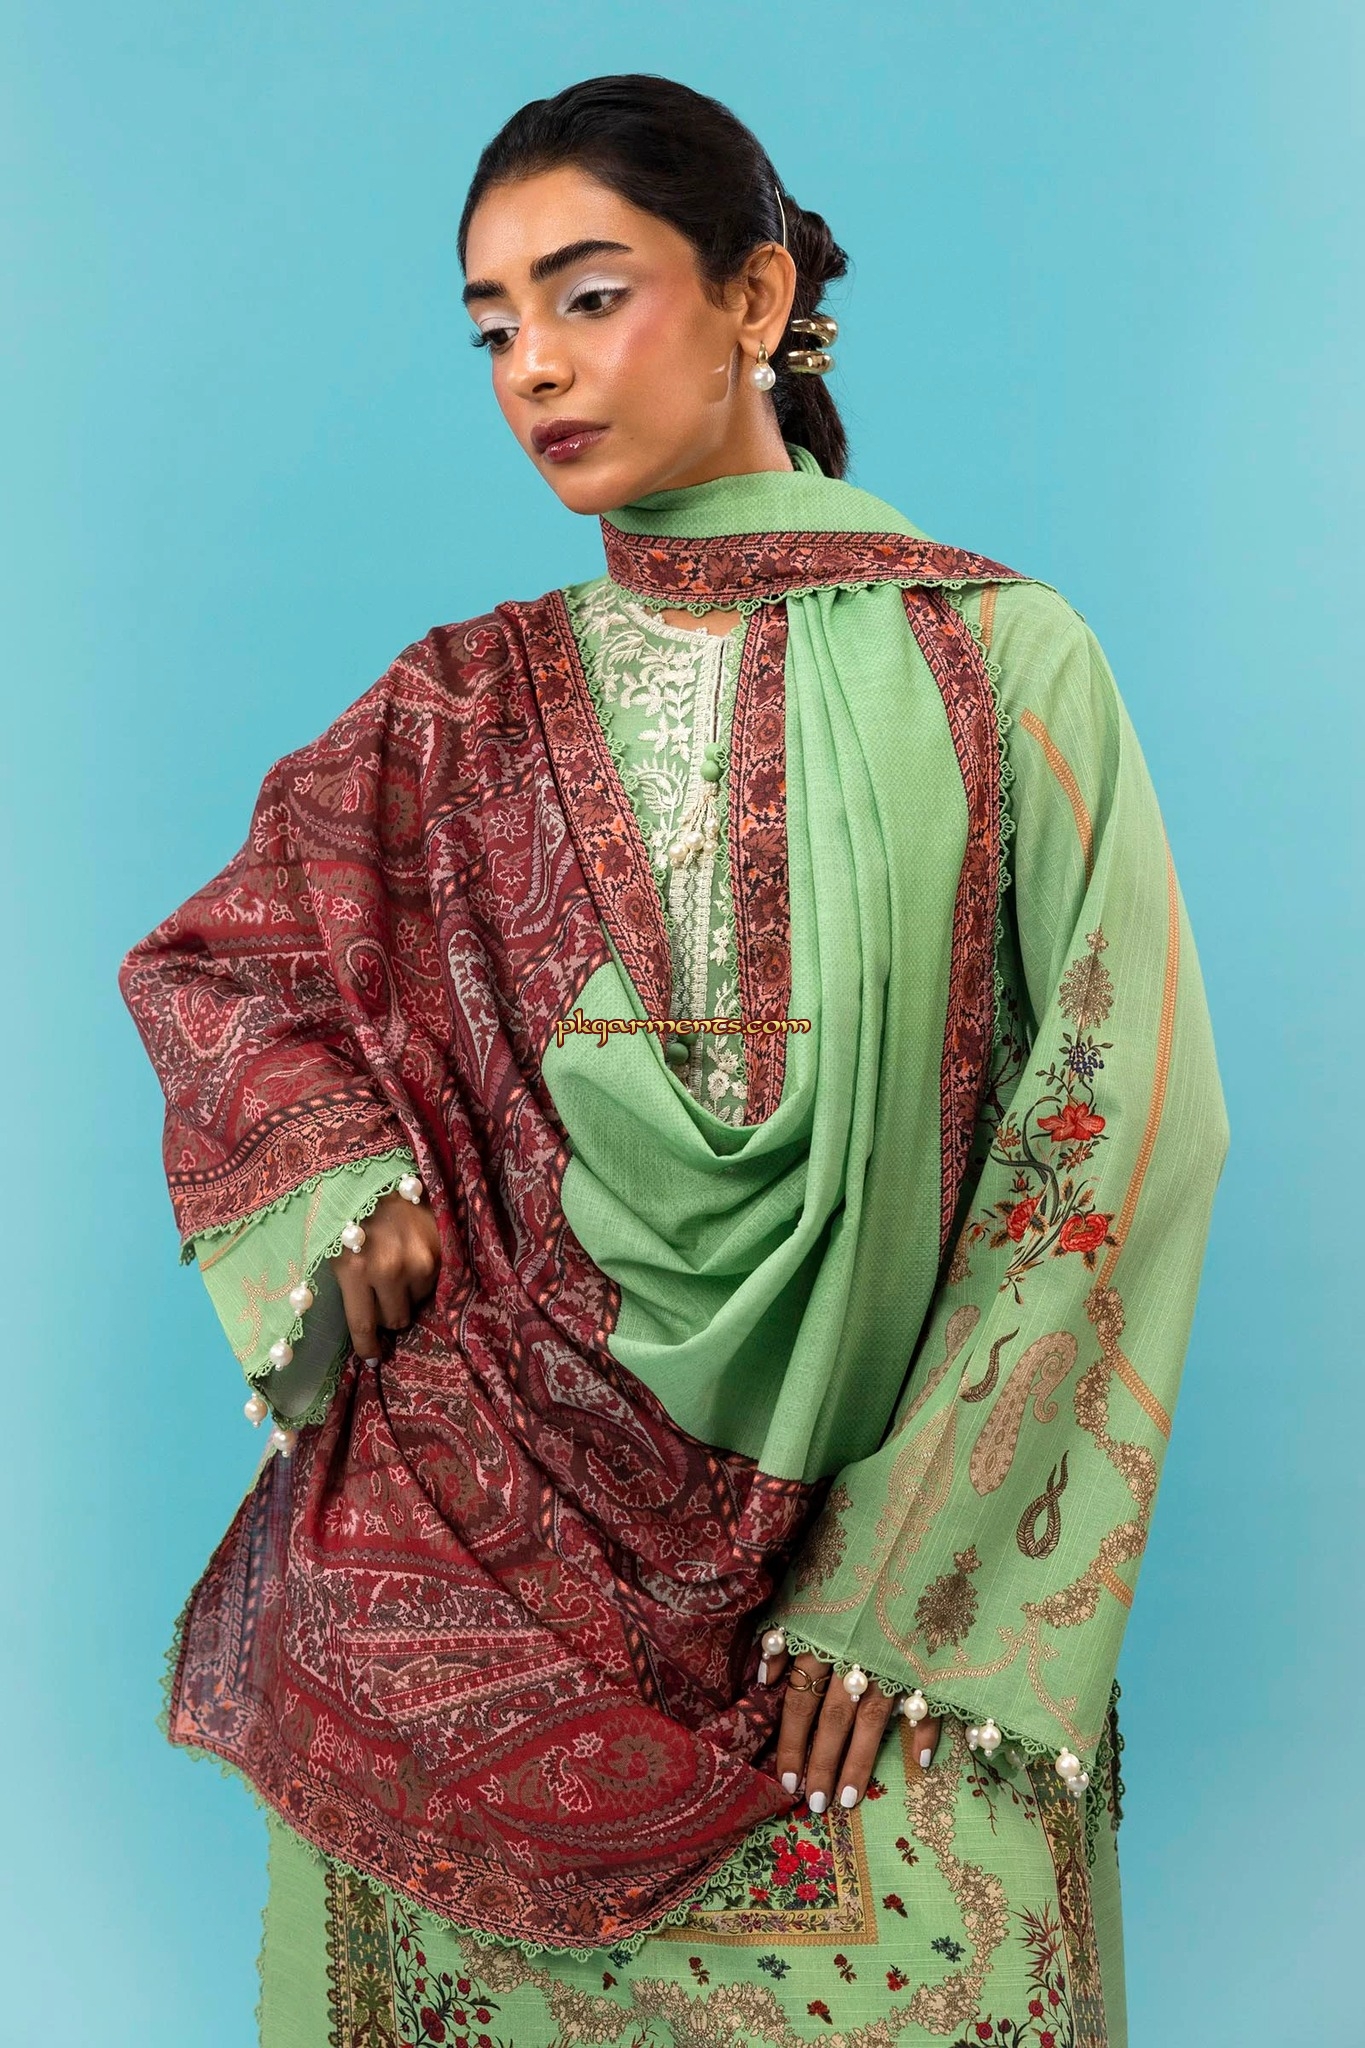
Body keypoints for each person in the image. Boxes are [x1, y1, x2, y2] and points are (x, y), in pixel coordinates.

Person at [120, 73, 1228, 2048]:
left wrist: (911, 1578)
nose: (533, 369)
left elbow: (1110, 1124)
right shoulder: (455, 706)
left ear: (755, 297)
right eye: (492, 328)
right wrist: (338, 1182)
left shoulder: (1004, 660)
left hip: (882, 1590)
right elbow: (230, 969)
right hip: (482, 1564)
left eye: (585, 295)